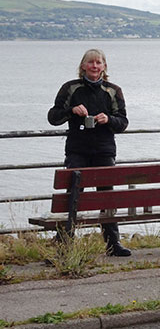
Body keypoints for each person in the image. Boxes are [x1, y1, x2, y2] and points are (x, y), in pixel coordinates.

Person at [47, 49, 131, 257]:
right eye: (90, 63)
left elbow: (123, 122)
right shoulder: (70, 88)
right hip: (77, 149)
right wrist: (71, 111)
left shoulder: (113, 90)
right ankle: (65, 244)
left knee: (106, 196)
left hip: (104, 150)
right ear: (83, 66)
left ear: (104, 67)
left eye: (98, 63)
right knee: (73, 196)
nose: (94, 66)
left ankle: (113, 243)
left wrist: (109, 119)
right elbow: (53, 117)